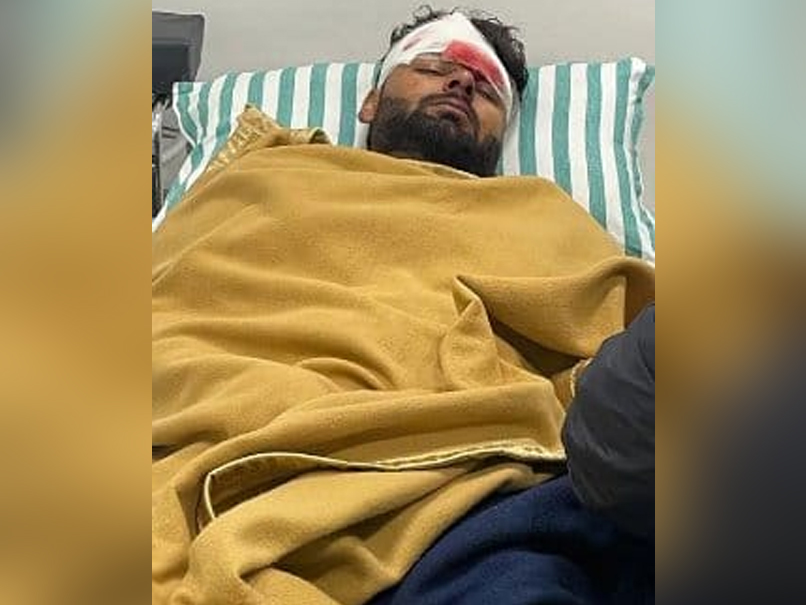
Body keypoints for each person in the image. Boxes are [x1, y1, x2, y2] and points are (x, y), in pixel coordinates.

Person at [151, 7, 655, 605]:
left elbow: (619, 361)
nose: (462, 81)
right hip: (215, 431)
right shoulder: (263, 173)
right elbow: (166, 295)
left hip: (459, 491)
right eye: (434, 67)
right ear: (370, 103)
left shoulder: (545, 215)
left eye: (487, 89)